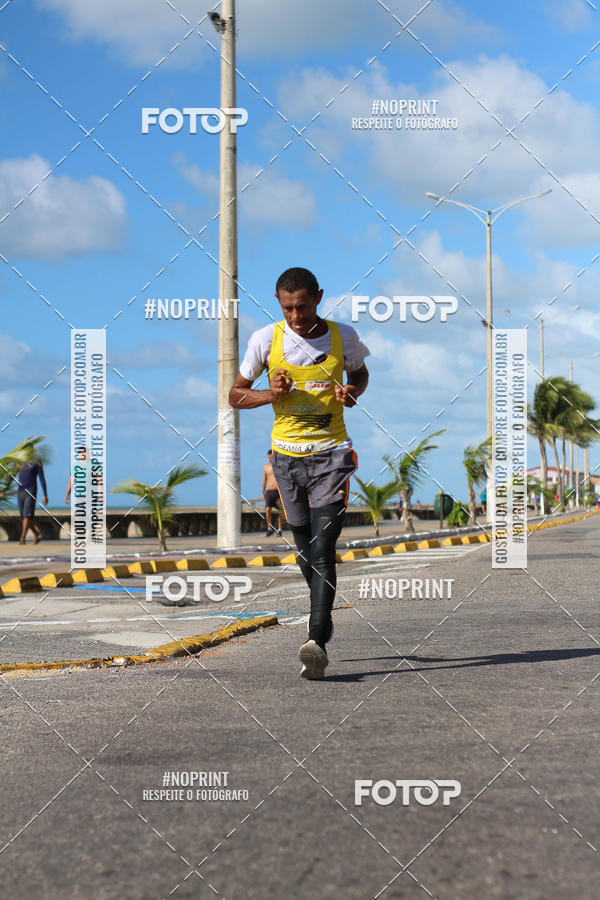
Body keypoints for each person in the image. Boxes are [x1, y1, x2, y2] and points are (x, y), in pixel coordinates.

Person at [229, 267, 370, 679]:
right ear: (278, 303)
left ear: (319, 298)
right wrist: (271, 394)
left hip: (332, 455)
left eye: (303, 307)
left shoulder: (344, 337)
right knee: (305, 549)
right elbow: (235, 394)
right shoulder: (264, 340)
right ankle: (323, 614)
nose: (296, 316)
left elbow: (359, 373)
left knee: (324, 546)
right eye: (288, 308)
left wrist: (352, 391)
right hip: (286, 461)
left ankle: (315, 641)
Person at [16, 451, 48, 544]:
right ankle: (37, 533)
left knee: (27, 515)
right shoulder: (19, 461)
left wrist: (45, 494)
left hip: (31, 490)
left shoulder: (36, 462)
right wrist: (4, 489)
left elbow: (42, 479)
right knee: (24, 516)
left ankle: (22, 538)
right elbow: (12, 475)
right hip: (20, 491)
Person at [262, 449, 282, 536]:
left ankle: (279, 529)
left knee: (280, 511)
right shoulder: (266, 467)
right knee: (267, 509)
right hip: (269, 491)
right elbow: (264, 480)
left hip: (278, 491)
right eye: (269, 457)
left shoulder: (280, 466)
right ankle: (270, 528)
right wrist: (262, 493)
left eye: (272, 456)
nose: (271, 458)